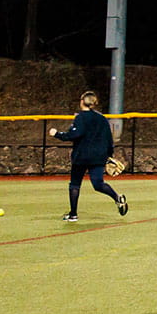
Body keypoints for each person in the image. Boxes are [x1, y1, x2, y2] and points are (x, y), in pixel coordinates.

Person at [50, 92, 126, 221]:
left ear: (82, 102)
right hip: (98, 157)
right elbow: (109, 138)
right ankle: (117, 198)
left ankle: (73, 214)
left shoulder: (81, 117)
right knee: (98, 184)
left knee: (75, 184)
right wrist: (109, 155)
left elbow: (74, 135)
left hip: (82, 156)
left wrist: (57, 134)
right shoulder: (101, 118)